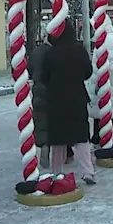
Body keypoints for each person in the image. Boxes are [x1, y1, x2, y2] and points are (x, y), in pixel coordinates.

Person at [41, 19, 96, 184]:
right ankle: (88, 171)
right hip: (77, 97)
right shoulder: (79, 50)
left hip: (56, 99)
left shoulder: (50, 53)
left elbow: (43, 77)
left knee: (57, 139)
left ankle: (56, 172)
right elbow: (88, 72)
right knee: (80, 136)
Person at [29, 36, 51, 169]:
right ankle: (65, 152)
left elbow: (30, 69)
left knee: (40, 118)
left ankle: (43, 144)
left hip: (38, 87)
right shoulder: (54, 52)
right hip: (52, 87)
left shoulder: (36, 52)